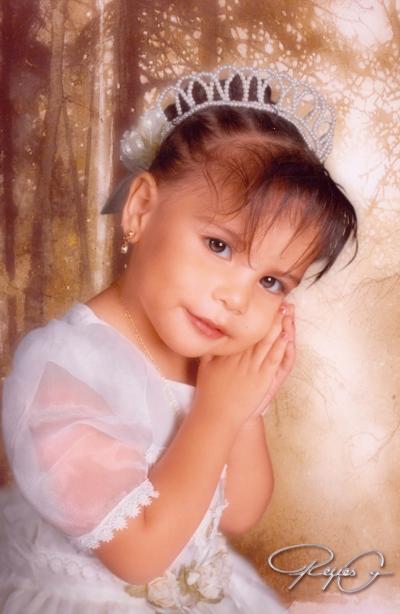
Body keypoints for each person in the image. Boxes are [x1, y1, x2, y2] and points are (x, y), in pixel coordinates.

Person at [0, 65, 358, 613]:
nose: (236, 299)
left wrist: (243, 406)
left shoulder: (213, 358)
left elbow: (237, 513)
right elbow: (139, 556)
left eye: (270, 282)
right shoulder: (63, 367)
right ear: (141, 210)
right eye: (219, 246)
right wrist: (216, 413)